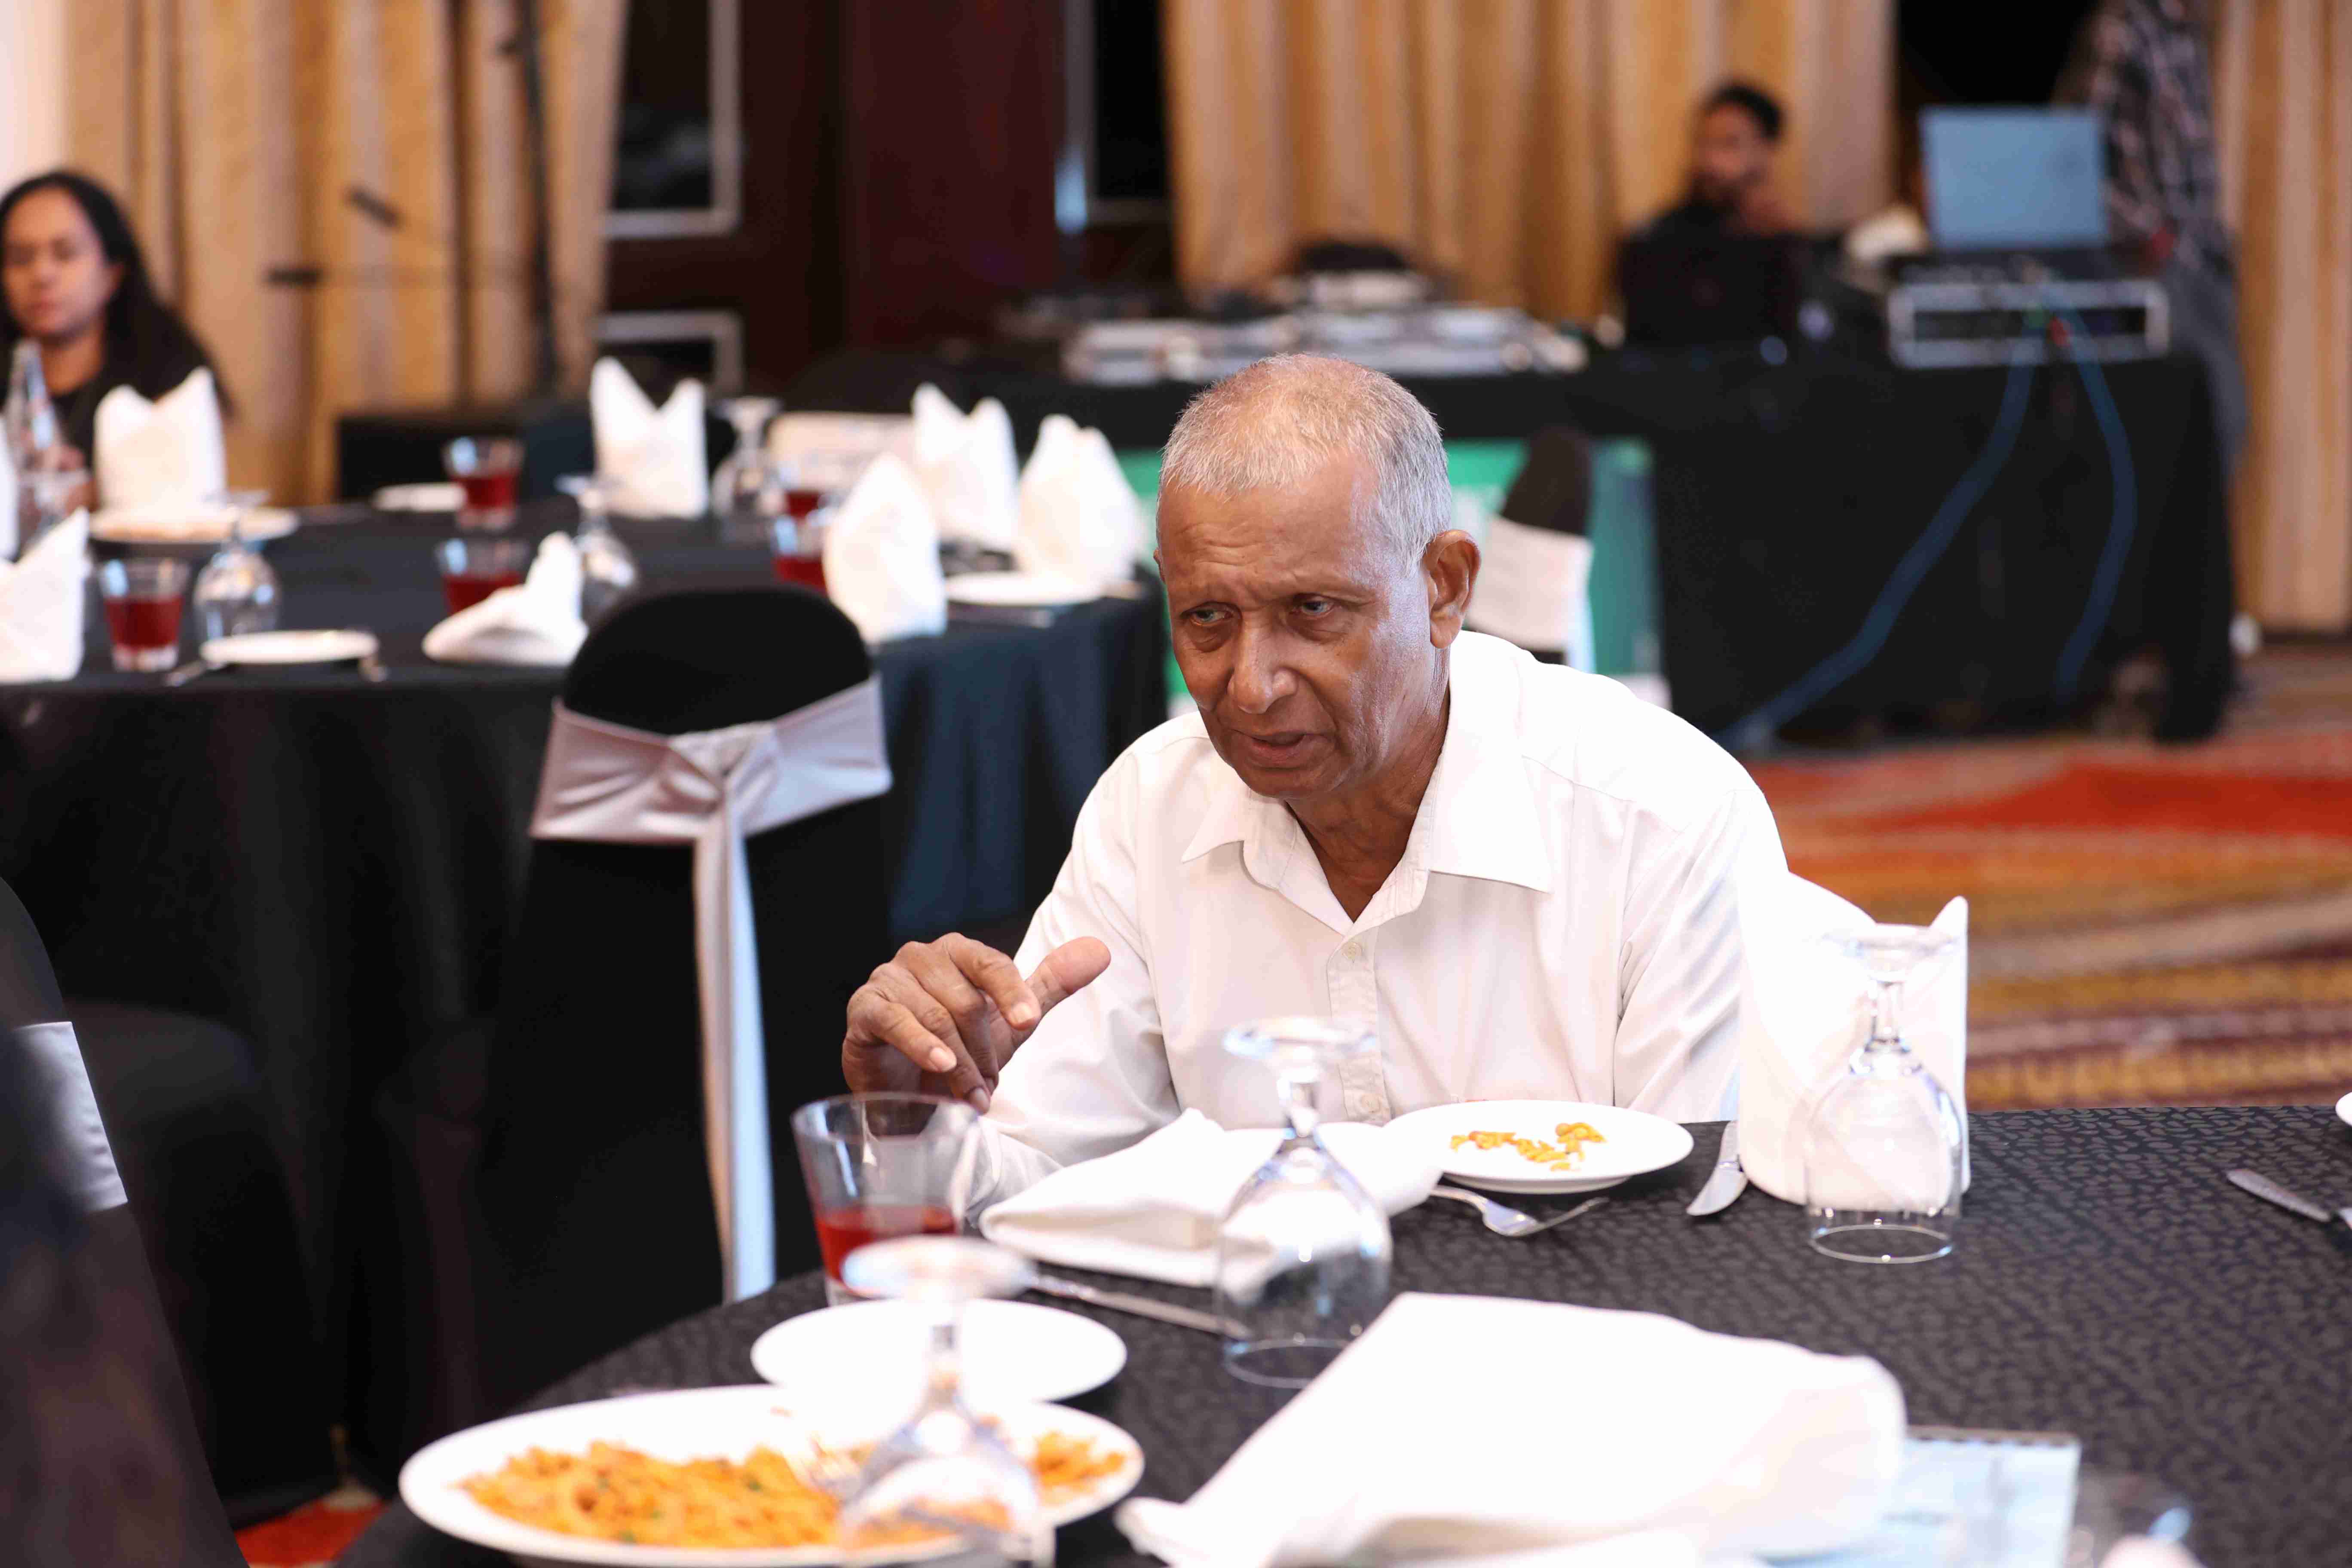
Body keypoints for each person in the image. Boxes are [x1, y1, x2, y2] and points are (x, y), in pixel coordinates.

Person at [842, 355, 1787, 1196]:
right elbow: (1042, 1183)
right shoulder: (1150, 811)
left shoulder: (1663, 819)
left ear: (1445, 588)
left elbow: (1701, 1210)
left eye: (1313, 611)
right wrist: (919, 1122)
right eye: (1207, 618)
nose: (1251, 686)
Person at [2058, 0, 2247, 471]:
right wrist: (2145, 233)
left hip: (2203, 261)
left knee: (2225, 432)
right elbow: (2070, 156)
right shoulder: (2124, 28)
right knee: (2178, 440)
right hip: (2152, 266)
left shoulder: (2188, 30)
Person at [0, 170, 227, 488]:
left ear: (113, 272)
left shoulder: (167, 365)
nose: (42, 274)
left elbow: (195, 486)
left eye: (65, 253)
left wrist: (95, 493)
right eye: (20, 258)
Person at [1642, 81, 1793, 239]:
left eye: (1729, 143)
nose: (1710, 159)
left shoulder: (1791, 243)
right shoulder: (1657, 239)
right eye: (1702, 142)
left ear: (1766, 150)